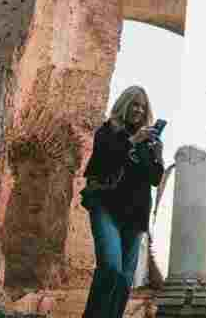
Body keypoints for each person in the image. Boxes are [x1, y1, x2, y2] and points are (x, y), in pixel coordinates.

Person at [81, 85, 165, 318]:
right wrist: (132, 141)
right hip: (106, 206)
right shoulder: (108, 131)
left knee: (125, 279)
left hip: (135, 215)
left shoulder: (148, 140)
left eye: (143, 106)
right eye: (134, 104)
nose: (138, 109)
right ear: (125, 104)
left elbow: (155, 179)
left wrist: (157, 155)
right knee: (111, 268)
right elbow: (103, 162)